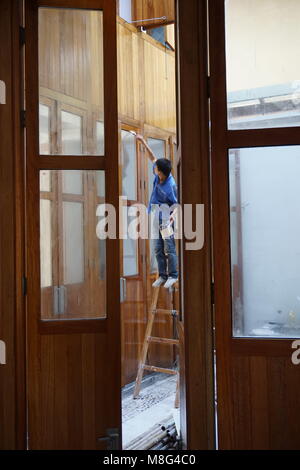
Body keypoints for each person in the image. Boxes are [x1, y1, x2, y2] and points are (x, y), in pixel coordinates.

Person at [136, 134, 178, 289]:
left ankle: (173, 275)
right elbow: (152, 157)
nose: (155, 170)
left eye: (157, 170)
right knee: (157, 247)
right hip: (155, 214)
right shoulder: (159, 173)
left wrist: (172, 218)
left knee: (169, 247)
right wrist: (143, 141)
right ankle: (162, 275)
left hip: (166, 217)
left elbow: (177, 204)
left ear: (162, 173)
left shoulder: (171, 186)